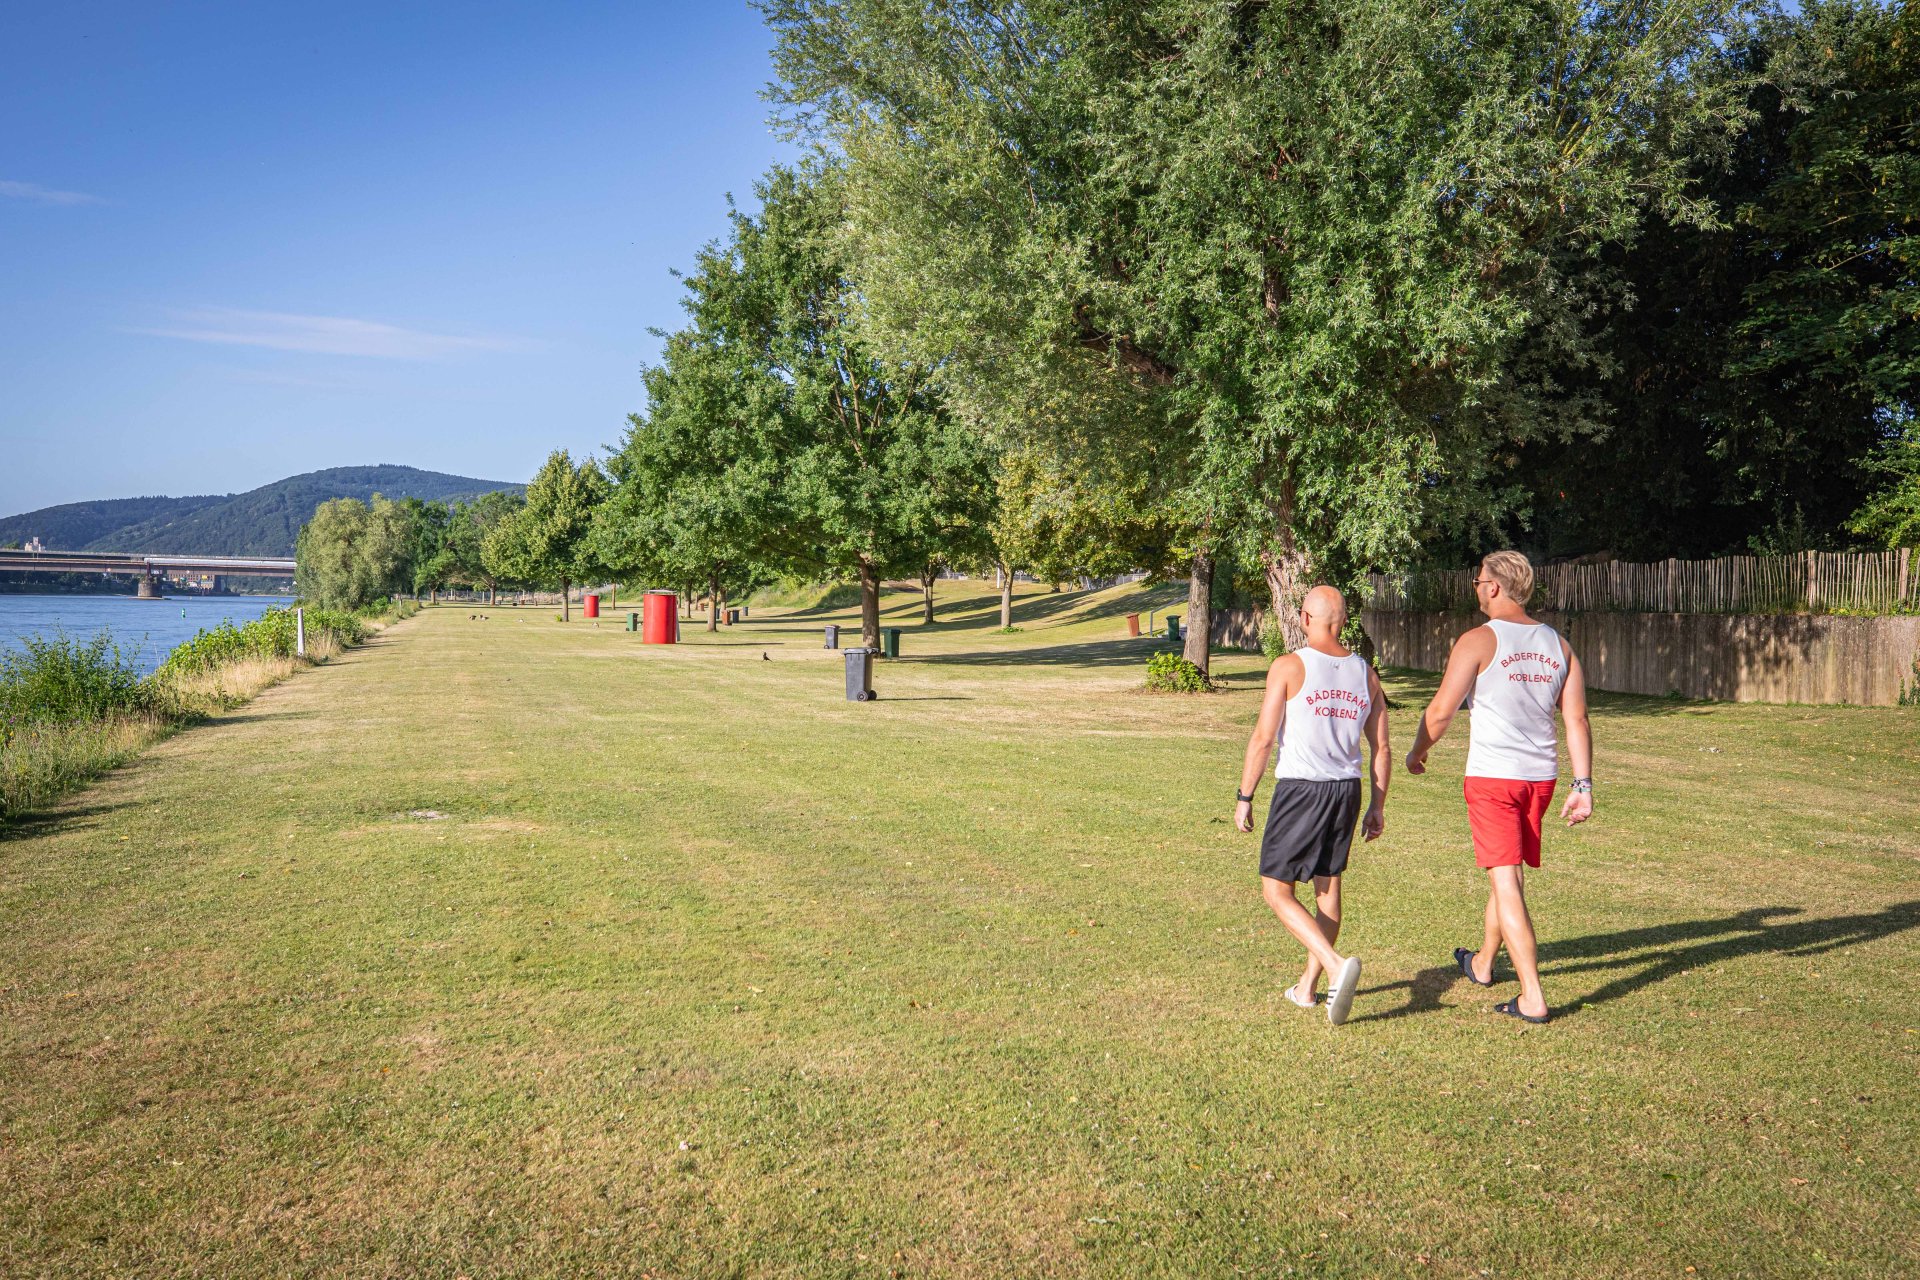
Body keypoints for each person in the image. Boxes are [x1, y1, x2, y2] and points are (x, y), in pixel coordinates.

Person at [1404, 550, 1593, 1024]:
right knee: (1506, 871)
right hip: (1540, 780)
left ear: (1493, 587)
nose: (1475, 587)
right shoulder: (1559, 645)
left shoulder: (1478, 640)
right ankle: (1484, 963)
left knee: (1506, 879)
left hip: (1493, 778)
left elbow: (1441, 712)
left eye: (1477, 581)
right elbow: (1576, 718)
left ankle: (1532, 996)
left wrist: (1417, 751)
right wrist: (1583, 783)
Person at [1235, 585, 1390, 1026]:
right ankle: (1307, 989)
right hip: (1347, 790)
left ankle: (1336, 965)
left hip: (1302, 790)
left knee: (1275, 889)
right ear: (1343, 622)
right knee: (1328, 890)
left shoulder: (1288, 666)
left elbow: (1264, 738)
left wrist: (1245, 796)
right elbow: (1380, 748)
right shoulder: (1366, 673)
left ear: (1305, 618)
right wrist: (1377, 805)